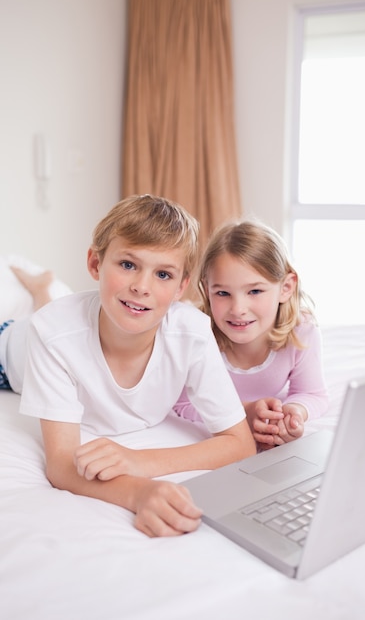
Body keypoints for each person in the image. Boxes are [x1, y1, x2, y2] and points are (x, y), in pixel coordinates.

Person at [0, 195, 255, 536]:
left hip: (57, 325)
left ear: (182, 287)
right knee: (38, 321)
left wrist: (140, 461)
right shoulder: (52, 332)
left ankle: (42, 288)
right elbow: (61, 466)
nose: (141, 287)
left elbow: (240, 442)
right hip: (9, 352)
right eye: (128, 265)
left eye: (163, 273)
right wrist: (138, 491)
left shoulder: (192, 332)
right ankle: (42, 292)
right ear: (95, 263)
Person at [174, 219, 328, 449]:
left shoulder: (301, 331)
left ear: (286, 288)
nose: (238, 309)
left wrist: (292, 414)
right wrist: (244, 412)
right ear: (207, 290)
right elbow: (182, 404)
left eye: (255, 291)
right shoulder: (196, 335)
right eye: (223, 293)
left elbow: (312, 393)